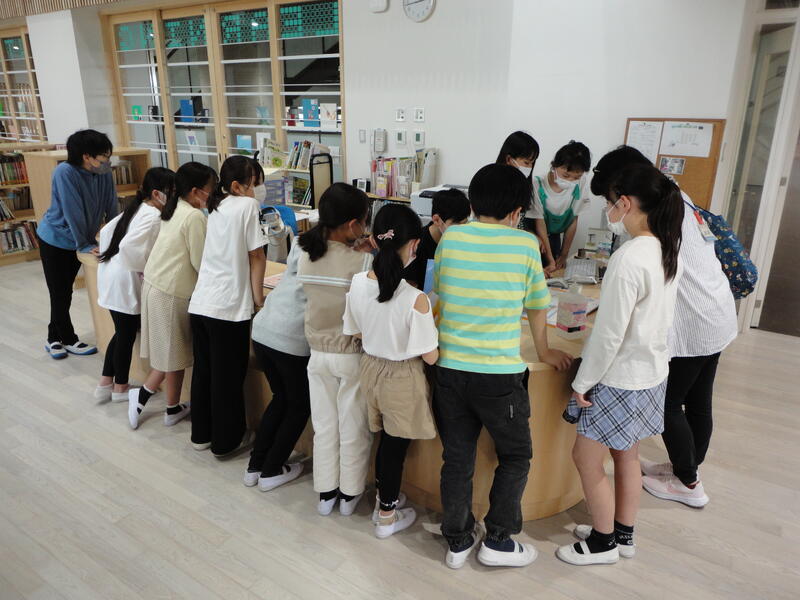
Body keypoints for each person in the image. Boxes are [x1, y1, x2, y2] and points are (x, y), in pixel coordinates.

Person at [433, 163, 573, 569]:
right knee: (515, 456)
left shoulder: (451, 237)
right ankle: (498, 539)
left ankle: (457, 540)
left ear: (473, 204)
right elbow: (538, 305)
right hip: (498, 375)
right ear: (516, 212)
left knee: (457, 458)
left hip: (449, 369)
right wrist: (544, 352)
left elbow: (441, 292)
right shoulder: (525, 244)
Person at [590, 146, 738, 508]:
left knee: (669, 403)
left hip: (693, 322)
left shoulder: (657, 215)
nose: (613, 207)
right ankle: (685, 468)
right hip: (716, 312)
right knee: (698, 401)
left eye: (612, 198)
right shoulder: (676, 195)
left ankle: (689, 482)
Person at [557, 164, 684, 566]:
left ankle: (602, 542)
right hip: (651, 372)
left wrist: (583, 381)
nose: (607, 210)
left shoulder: (628, 257)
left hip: (619, 378)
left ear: (625, 203)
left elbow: (609, 334)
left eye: (610, 202)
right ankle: (622, 534)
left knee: (586, 458)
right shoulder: (666, 246)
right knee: (626, 454)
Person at [343, 204, 439, 539]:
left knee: (385, 441)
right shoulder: (415, 298)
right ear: (414, 245)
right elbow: (430, 357)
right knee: (395, 448)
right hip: (401, 377)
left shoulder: (357, 283)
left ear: (373, 240)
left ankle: (385, 499)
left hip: (370, 369)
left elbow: (355, 331)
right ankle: (386, 514)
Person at [296, 182, 374, 516]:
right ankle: (350, 494)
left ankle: (325, 493)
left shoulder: (305, 253)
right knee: (353, 427)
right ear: (353, 224)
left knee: (324, 425)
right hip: (350, 355)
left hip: (317, 354)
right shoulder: (363, 261)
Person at [127, 162, 217, 431]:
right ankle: (141, 395)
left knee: (174, 355)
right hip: (170, 292)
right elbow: (201, 262)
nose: (212, 195)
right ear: (195, 191)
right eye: (210, 189)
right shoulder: (194, 217)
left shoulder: (175, 208)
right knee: (171, 354)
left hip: (158, 286)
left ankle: (172, 407)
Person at [189, 155, 266, 457]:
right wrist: (258, 299)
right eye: (254, 184)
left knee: (204, 373)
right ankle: (226, 442)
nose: (256, 190)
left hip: (202, 302)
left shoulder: (216, 206)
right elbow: (256, 256)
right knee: (228, 377)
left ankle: (201, 435)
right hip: (228, 307)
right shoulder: (247, 205)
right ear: (237, 186)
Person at [94, 167, 175, 403]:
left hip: (111, 276)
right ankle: (120, 387)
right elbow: (129, 248)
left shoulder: (138, 207)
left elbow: (106, 232)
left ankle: (105, 383)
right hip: (125, 281)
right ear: (157, 193)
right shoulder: (153, 216)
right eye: (172, 192)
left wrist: (110, 253)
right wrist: (147, 267)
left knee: (121, 332)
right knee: (125, 335)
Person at [37, 129, 117, 359]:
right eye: (103, 156)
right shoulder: (65, 172)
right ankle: (66, 339)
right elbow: (73, 211)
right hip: (55, 238)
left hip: (81, 238)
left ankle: (54, 337)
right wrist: (83, 243)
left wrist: (116, 235)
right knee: (60, 292)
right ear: (86, 156)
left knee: (63, 293)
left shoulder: (102, 171)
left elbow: (111, 203)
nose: (107, 161)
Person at [244, 239, 309, 491]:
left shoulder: (302, 241)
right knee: (299, 405)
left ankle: (255, 465)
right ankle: (271, 469)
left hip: (263, 329)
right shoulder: (340, 253)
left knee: (281, 398)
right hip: (290, 337)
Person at [527, 141, 593, 272]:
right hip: (537, 237)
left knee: (556, 271)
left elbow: (573, 220)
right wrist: (550, 259)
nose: (570, 180)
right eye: (566, 175)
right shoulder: (537, 184)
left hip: (555, 236)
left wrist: (563, 255)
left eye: (576, 177)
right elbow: (540, 223)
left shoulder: (581, 183)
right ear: (554, 166)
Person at [402, 188, 470, 290]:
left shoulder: (462, 242)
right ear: (437, 220)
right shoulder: (417, 245)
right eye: (456, 225)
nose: (461, 230)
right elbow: (409, 286)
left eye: (464, 224)